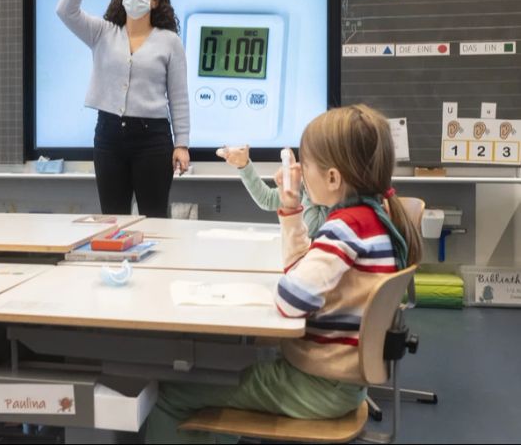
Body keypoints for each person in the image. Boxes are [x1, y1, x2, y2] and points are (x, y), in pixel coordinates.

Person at [145, 104, 423, 443]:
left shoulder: (345, 229)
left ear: (333, 178)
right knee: (230, 366)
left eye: (306, 168)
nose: (301, 174)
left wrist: (292, 222)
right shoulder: (373, 218)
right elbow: (301, 272)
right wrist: (291, 211)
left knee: (173, 395)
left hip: (318, 383)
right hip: (339, 380)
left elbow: (291, 299)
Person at [56, 0, 190, 218]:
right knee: (112, 218)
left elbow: (179, 96)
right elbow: (65, 11)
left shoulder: (170, 42)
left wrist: (182, 144)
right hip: (109, 136)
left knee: (155, 219)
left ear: (154, 1)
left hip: (152, 138)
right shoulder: (102, 32)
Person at [217, 145, 328, 235]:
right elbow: (267, 199)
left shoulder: (334, 199)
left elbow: (311, 227)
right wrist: (244, 165)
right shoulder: (307, 185)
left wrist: (308, 184)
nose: (302, 166)